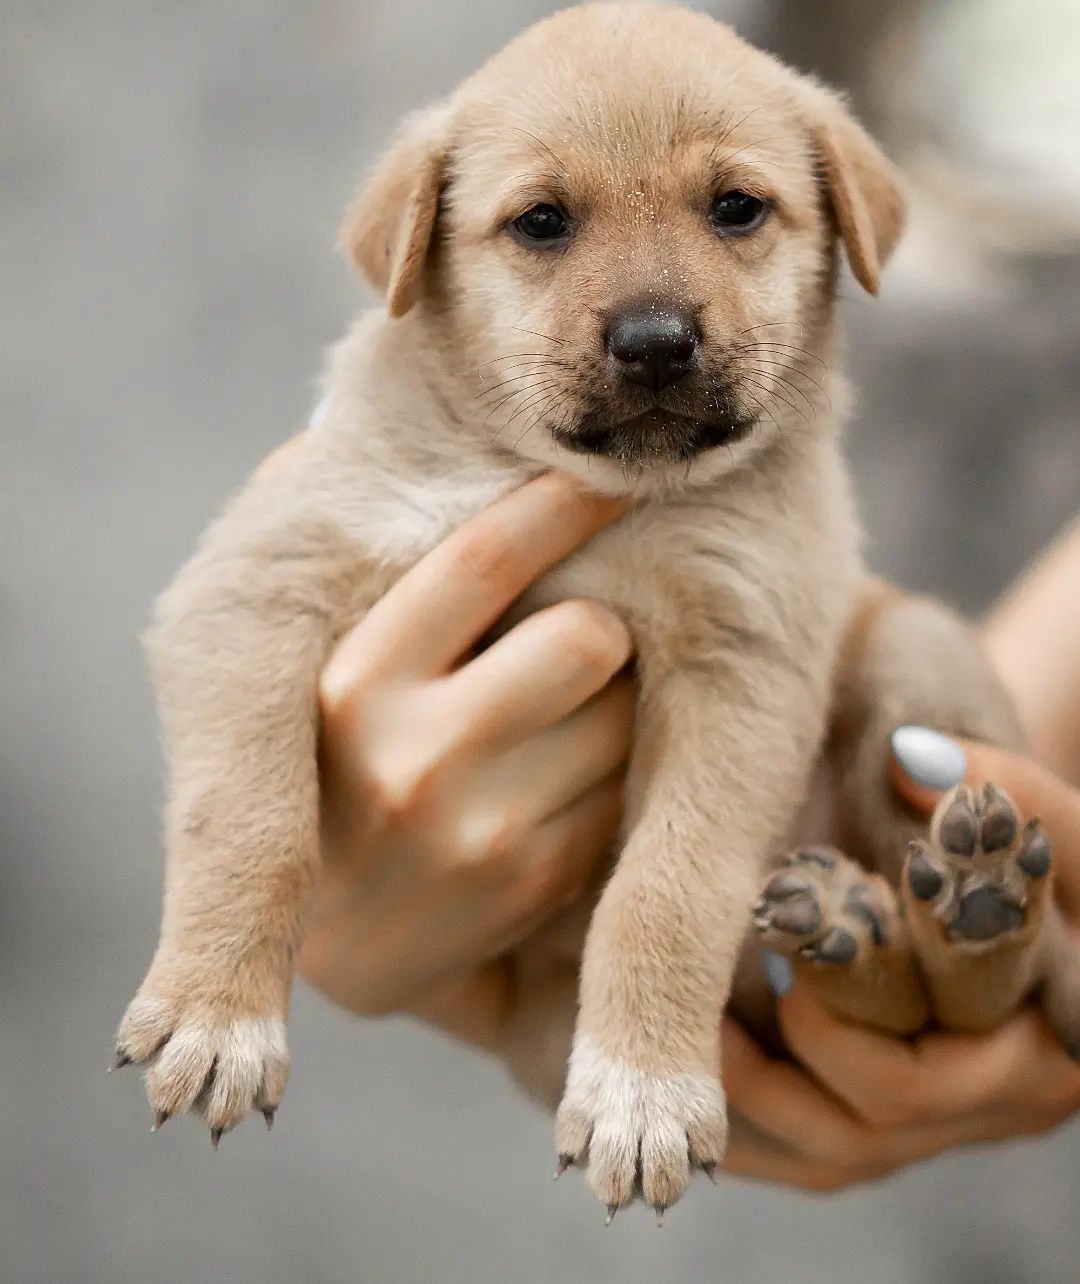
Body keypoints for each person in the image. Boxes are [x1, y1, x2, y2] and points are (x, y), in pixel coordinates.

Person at [294, 468, 1080, 1191]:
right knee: (567, 1035)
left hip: (845, 704)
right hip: (603, 981)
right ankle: (925, 952)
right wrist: (293, 876)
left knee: (922, 666)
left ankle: (993, 948)